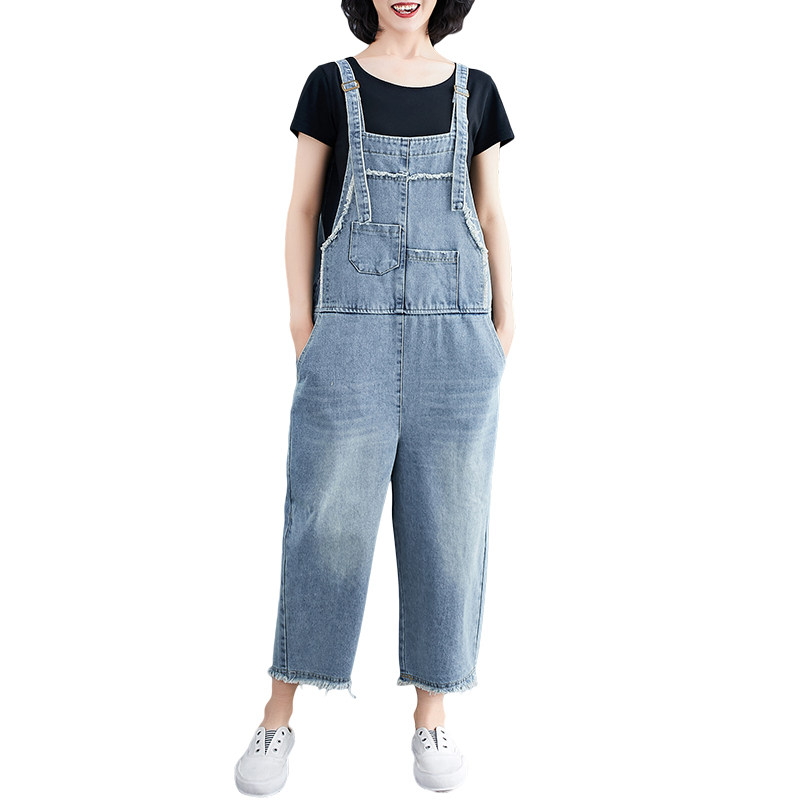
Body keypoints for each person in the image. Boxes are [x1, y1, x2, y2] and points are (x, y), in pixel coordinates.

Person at [234, 1, 515, 794]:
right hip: (347, 335)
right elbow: (301, 209)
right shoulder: (330, 86)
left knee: (449, 530)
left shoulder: (477, 92)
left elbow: (490, 212)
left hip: (456, 339)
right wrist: (304, 326)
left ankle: (432, 716)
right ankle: (278, 712)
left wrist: (505, 324)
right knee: (324, 525)